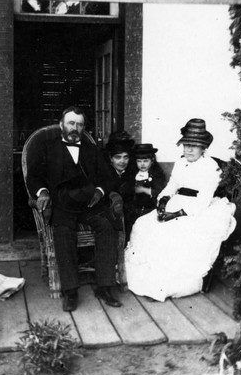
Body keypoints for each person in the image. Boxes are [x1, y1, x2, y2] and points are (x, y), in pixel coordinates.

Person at [124, 118, 236, 302]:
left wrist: (175, 214)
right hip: (175, 202)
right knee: (143, 224)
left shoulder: (211, 167)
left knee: (174, 232)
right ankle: (150, 282)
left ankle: (165, 286)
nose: (188, 150)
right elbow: (171, 186)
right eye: (186, 145)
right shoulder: (180, 162)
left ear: (203, 148)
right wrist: (162, 203)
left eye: (193, 146)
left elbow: (203, 200)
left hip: (197, 209)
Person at [26, 106, 123, 312]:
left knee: (107, 225)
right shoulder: (47, 147)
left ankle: (105, 286)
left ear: (83, 127)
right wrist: (42, 192)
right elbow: (33, 176)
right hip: (62, 204)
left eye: (79, 125)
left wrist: (99, 190)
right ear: (62, 125)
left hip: (89, 202)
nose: (74, 128)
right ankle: (70, 291)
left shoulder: (91, 149)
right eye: (71, 123)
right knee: (63, 231)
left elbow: (108, 177)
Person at [104, 131, 135, 241]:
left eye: (126, 157)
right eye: (118, 157)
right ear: (110, 158)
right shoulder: (104, 173)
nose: (122, 161)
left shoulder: (132, 172)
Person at [129, 143, 166, 232]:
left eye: (145, 161)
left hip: (149, 208)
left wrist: (144, 189)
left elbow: (159, 191)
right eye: (139, 161)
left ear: (152, 160)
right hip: (134, 209)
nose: (142, 164)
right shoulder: (133, 174)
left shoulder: (156, 174)